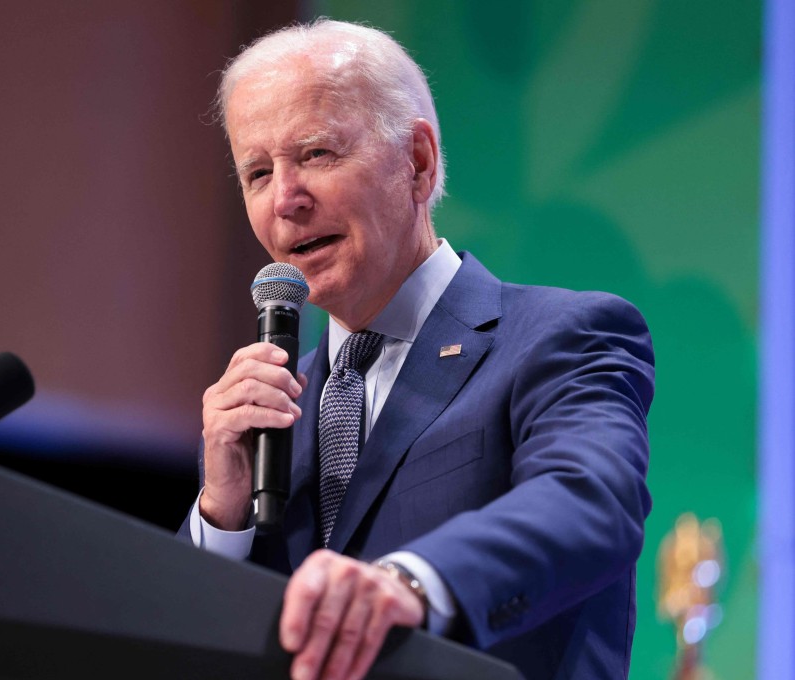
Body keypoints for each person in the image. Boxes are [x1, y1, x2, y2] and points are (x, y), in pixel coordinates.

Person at [180, 18, 654, 680]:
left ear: (418, 161)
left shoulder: (562, 335)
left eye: (316, 154)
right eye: (257, 172)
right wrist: (220, 517)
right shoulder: (274, 410)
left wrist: (412, 584)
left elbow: (588, 500)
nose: (285, 199)